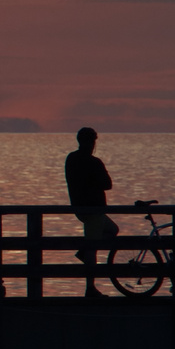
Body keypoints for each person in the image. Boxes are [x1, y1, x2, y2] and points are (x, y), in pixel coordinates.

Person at [65, 127, 118, 298]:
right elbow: (107, 184)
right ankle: (90, 288)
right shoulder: (94, 162)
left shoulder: (71, 158)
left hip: (79, 208)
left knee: (112, 230)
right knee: (93, 248)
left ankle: (83, 252)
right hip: (93, 209)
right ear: (92, 142)